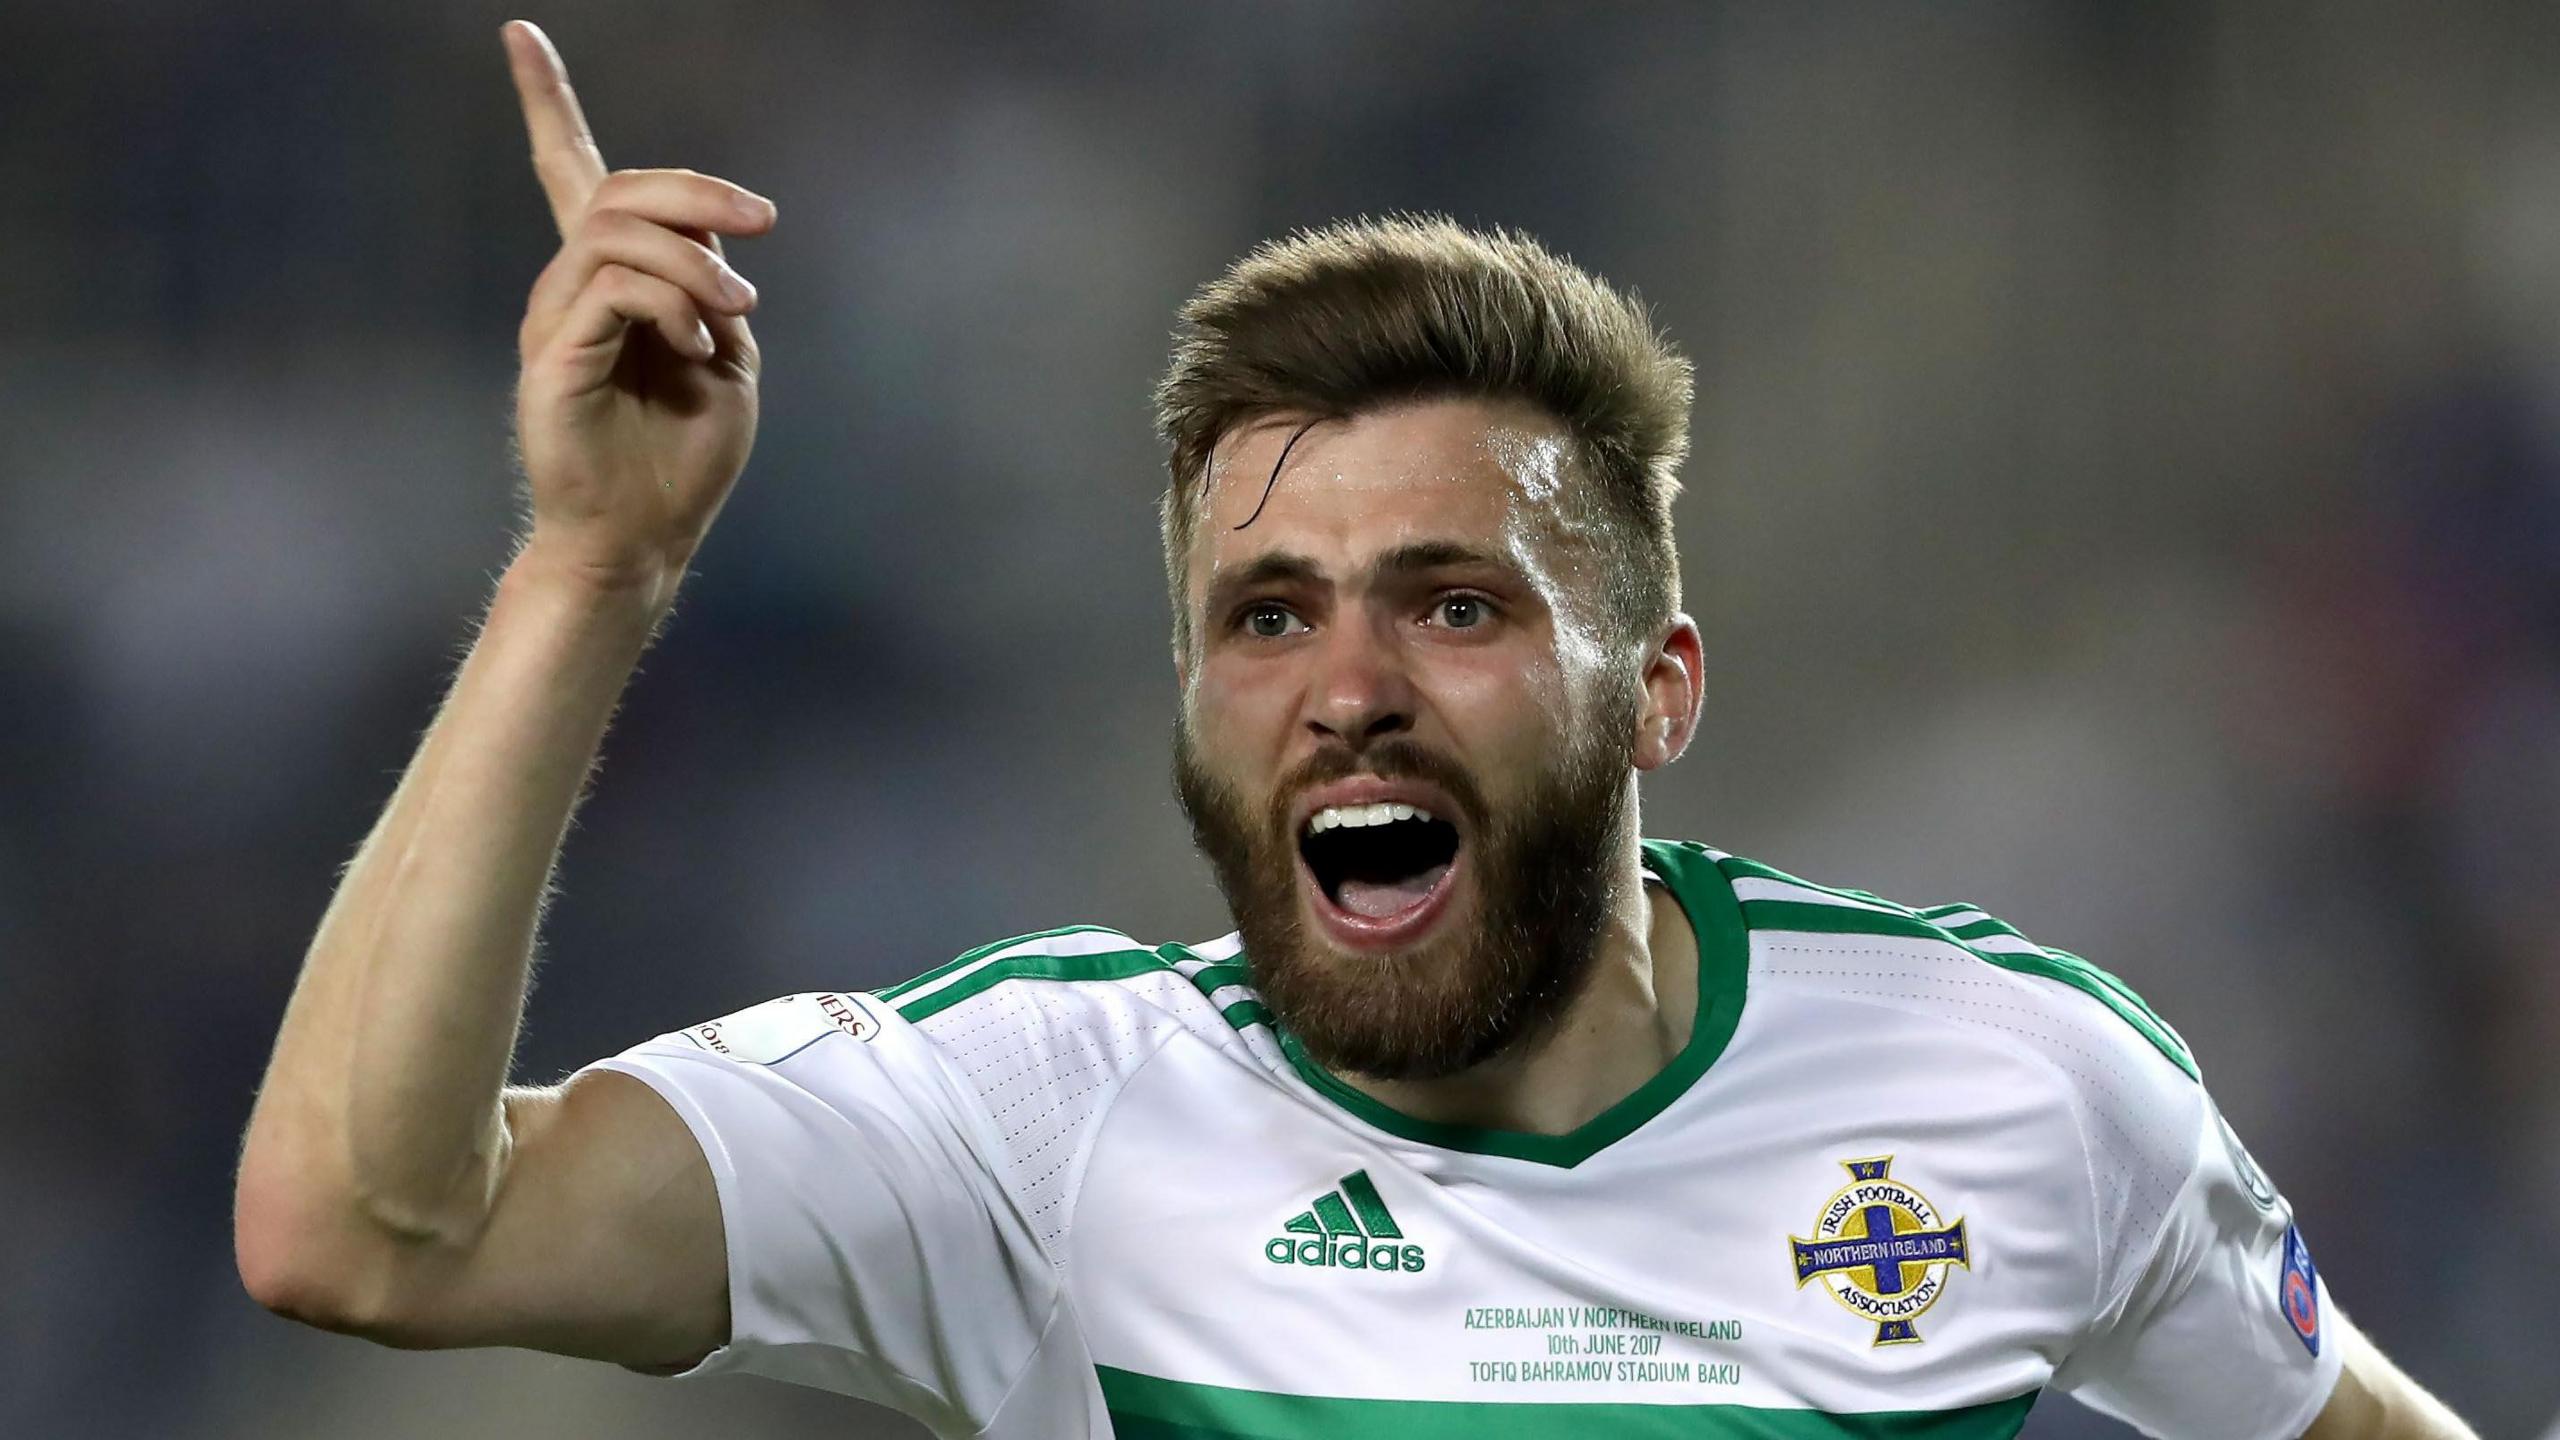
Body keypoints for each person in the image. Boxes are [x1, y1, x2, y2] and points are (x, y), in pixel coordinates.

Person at [234, 20, 2478, 1440]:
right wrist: (591, 569)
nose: (1347, 690)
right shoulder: (1033, 1126)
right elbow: (366, 1231)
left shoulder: (2007, 1082)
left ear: (1656, 695)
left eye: (1455, 602)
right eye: (1267, 614)